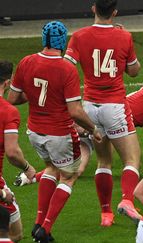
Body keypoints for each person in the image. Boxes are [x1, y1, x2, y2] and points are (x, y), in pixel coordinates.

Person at [7, 21, 102, 243]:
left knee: (51, 168)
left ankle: (39, 223)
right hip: (59, 134)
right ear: (62, 42)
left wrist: (35, 94)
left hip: (34, 133)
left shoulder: (26, 62)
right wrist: (93, 129)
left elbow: (12, 99)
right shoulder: (66, 68)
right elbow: (75, 111)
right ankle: (45, 229)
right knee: (69, 176)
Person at [64, 0, 143, 227]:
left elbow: (66, 68)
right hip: (115, 106)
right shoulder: (124, 36)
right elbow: (134, 70)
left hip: (89, 107)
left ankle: (106, 214)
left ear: (93, 9)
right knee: (131, 159)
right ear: (115, 12)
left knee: (103, 161)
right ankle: (127, 200)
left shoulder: (79, 36)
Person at [0, 60, 37, 242]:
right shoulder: (7, 111)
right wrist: (27, 168)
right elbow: (12, 153)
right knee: (15, 234)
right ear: (7, 83)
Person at [13, 123, 94, 186]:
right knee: (76, 171)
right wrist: (87, 132)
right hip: (84, 135)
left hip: (96, 130)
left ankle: (32, 178)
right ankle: (31, 178)